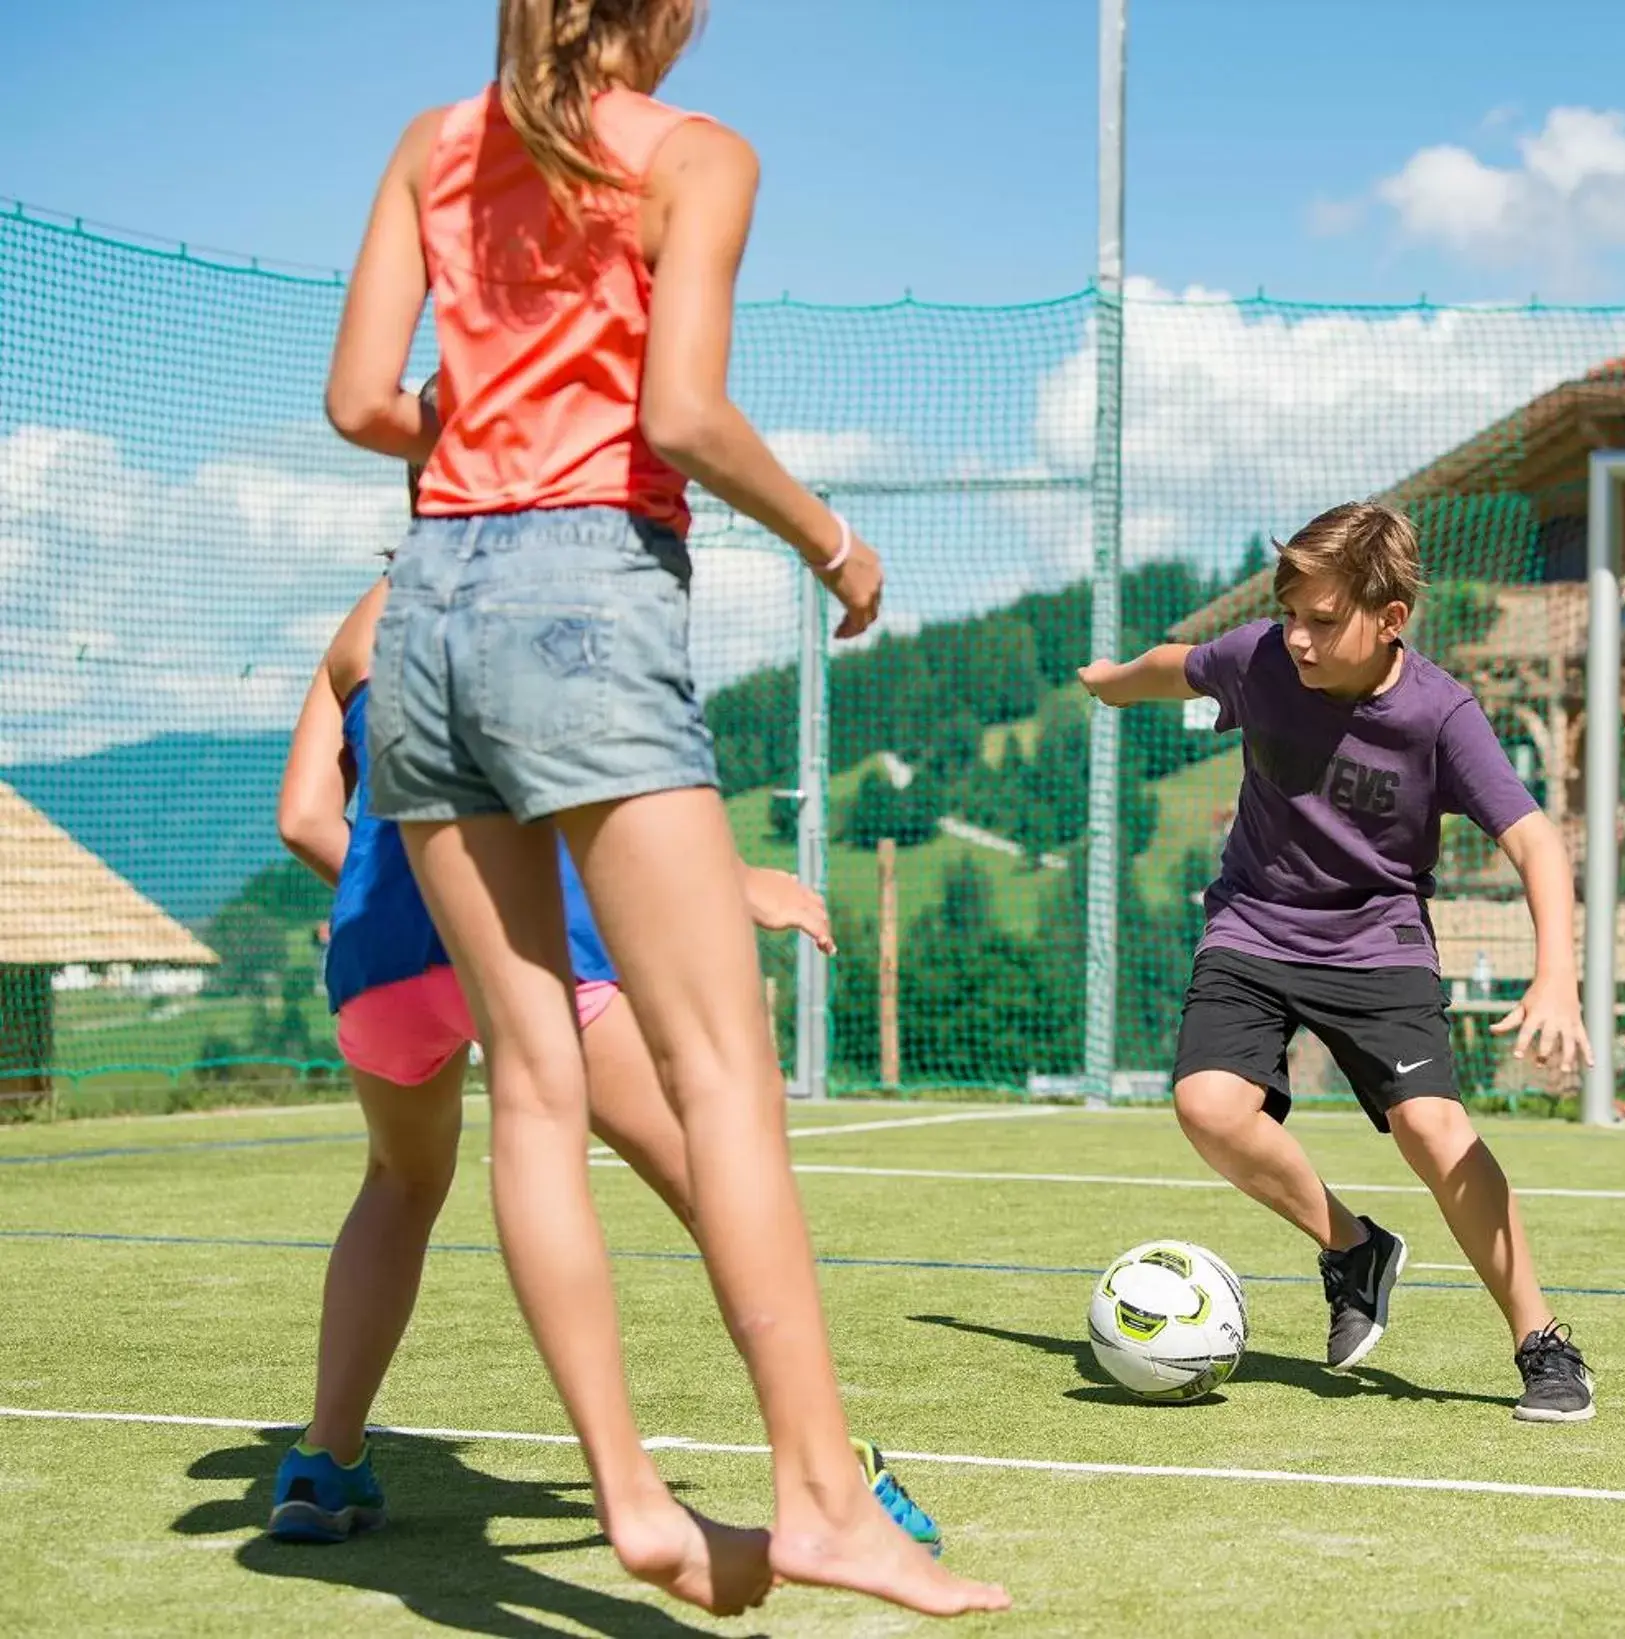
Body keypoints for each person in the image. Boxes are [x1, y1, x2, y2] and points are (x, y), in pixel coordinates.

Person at [322, 0, 1003, 1616]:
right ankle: (821, 1497)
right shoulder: (697, 157)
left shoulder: (430, 146)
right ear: (665, 14)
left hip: (421, 611)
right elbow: (679, 414)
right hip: (584, 590)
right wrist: (831, 540)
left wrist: (476, 434)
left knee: (536, 1081)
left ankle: (631, 1491)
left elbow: (361, 400)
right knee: (719, 1078)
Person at [265, 573, 944, 1562]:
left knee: (398, 1182)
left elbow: (302, 819)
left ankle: (322, 1462)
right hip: (536, 945)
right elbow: (607, 787)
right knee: (713, 1180)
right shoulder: (536, 580)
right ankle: (831, 1475)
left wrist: (432, 908)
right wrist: (730, 877)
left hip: (377, 957)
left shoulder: (363, 613)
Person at [1078, 500, 1598, 1423]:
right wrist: (1115, 680)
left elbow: (1535, 841)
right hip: (1253, 924)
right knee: (1206, 1105)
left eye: (1324, 620)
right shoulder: (1262, 660)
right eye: (1291, 616)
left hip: (1375, 939)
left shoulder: (1442, 715)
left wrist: (1556, 971)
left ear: (1390, 619)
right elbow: (1181, 667)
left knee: (1434, 1132)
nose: (1301, 639)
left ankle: (1543, 1342)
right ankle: (1352, 1248)